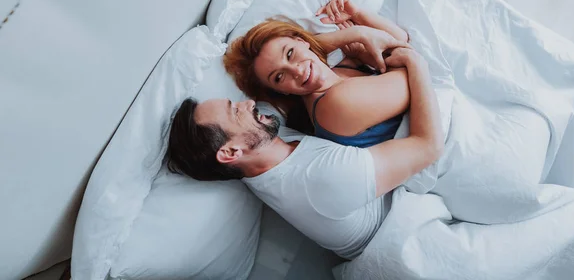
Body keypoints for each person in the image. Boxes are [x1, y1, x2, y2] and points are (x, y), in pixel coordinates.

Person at [165, 45, 444, 259]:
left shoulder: (263, 146)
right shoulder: (322, 179)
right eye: (234, 112)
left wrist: (321, 42)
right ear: (230, 152)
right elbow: (428, 145)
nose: (248, 104)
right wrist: (416, 62)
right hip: (413, 239)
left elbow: (275, 71)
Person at [223, 0, 412, 147]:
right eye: (279, 77)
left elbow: (401, 39)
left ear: (301, 41)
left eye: (290, 54)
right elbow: (412, 68)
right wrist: (358, 33)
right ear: (281, 91)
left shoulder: (340, 68)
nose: (296, 71)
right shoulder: (333, 104)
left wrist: (359, 15)